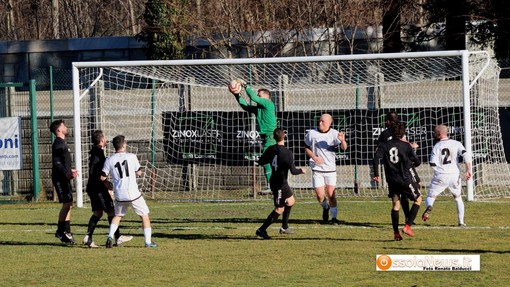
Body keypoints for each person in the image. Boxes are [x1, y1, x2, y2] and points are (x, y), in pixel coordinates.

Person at [100, 135, 157, 248]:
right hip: (132, 193)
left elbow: (102, 177)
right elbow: (139, 172)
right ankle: (148, 242)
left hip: (119, 194)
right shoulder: (131, 156)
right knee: (144, 215)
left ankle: (110, 236)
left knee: (118, 216)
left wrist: (108, 183)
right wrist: (133, 172)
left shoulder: (109, 159)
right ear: (124, 145)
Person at [373, 121, 422, 241]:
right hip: (404, 179)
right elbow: (418, 162)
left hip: (391, 180)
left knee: (396, 204)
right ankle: (407, 226)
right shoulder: (406, 146)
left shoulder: (384, 145)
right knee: (418, 199)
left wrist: (376, 174)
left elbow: (375, 158)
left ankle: (396, 233)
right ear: (402, 133)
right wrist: (410, 163)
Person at [83, 130, 133, 248]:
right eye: (104, 138)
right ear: (101, 140)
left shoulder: (97, 152)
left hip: (93, 187)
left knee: (98, 212)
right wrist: (105, 182)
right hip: (97, 188)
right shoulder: (98, 154)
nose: (106, 140)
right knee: (111, 211)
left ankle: (88, 237)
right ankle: (117, 237)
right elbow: (93, 171)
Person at [255, 128, 306, 239]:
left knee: (291, 201)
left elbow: (261, 161)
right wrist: (301, 170)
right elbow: (293, 171)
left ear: (274, 137)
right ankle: (261, 230)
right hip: (279, 184)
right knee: (279, 209)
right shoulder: (287, 153)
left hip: (278, 181)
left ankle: (284, 227)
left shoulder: (271, 149)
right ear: (284, 137)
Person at [230, 80, 277, 194]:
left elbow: (253, 98)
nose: (257, 97)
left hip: (271, 137)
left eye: (260, 95)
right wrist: (237, 95)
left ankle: (272, 186)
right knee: (268, 163)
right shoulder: (259, 109)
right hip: (267, 138)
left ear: (266, 96)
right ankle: (273, 186)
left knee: (267, 162)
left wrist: (245, 85)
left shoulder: (268, 103)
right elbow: (245, 106)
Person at [422, 124, 472, 227]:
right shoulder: (456, 143)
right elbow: (466, 155)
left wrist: (438, 171)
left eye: (435, 132)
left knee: (431, 196)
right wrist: (468, 170)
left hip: (441, 175)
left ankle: (429, 206)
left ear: (439, 134)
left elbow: (432, 163)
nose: (434, 134)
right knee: (458, 197)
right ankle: (461, 222)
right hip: (454, 174)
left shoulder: (437, 146)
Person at [304, 113, 347, 225]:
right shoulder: (312, 133)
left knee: (331, 194)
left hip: (330, 169)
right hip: (317, 169)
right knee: (320, 195)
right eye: (319, 120)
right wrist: (314, 157)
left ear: (329, 123)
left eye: (323, 121)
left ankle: (334, 218)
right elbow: (306, 148)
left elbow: (344, 148)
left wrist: (342, 140)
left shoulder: (334, 133)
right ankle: (325, 207)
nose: (320, 123)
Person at [50, 119, 79, 244]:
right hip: (59, 179)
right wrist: (66, 172)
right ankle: (63, 231)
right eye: (64, 126)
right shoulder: (57, 144)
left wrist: (70, 170)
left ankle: (63, 231)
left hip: (64, 177)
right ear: (59, 130)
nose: (66, 127)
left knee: (69, 204)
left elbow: (62, 162)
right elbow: (56, 162)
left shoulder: (62, 143)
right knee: (67, 204)